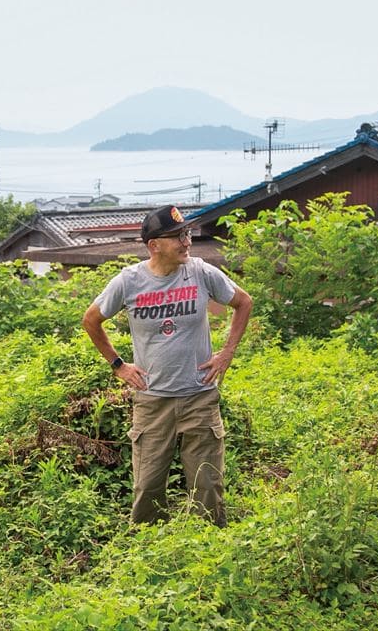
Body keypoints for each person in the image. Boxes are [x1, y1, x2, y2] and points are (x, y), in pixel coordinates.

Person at [82, 205, 252, 526]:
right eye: (177, 237)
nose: (186, 242)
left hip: (200, 398)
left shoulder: (200, 272)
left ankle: (210, 548)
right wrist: (119, 365)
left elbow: (243, 302)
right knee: (147, 487)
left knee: (207, 486)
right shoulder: (129, 281)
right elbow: (91, 320)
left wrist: (227, 352)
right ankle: (148, 553)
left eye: (186, 234)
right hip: (152, 400)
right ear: (154, 246)